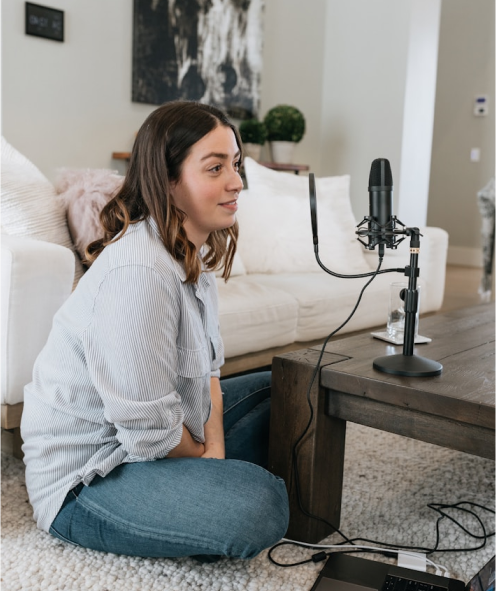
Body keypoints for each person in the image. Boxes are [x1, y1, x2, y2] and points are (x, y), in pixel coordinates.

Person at [21, 100, 289, 560]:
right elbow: (148, 433)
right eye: (215, 168)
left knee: (286, 387)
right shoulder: (138, 271)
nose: (237, 182)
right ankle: (216, 502)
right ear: (168, 180)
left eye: (236, 165)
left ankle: (207, 494)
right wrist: (209, 465)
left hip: (153, 445)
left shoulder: (188, 259)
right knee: (260, 506)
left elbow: (209, 376)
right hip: (91, 478)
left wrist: (213, 457)